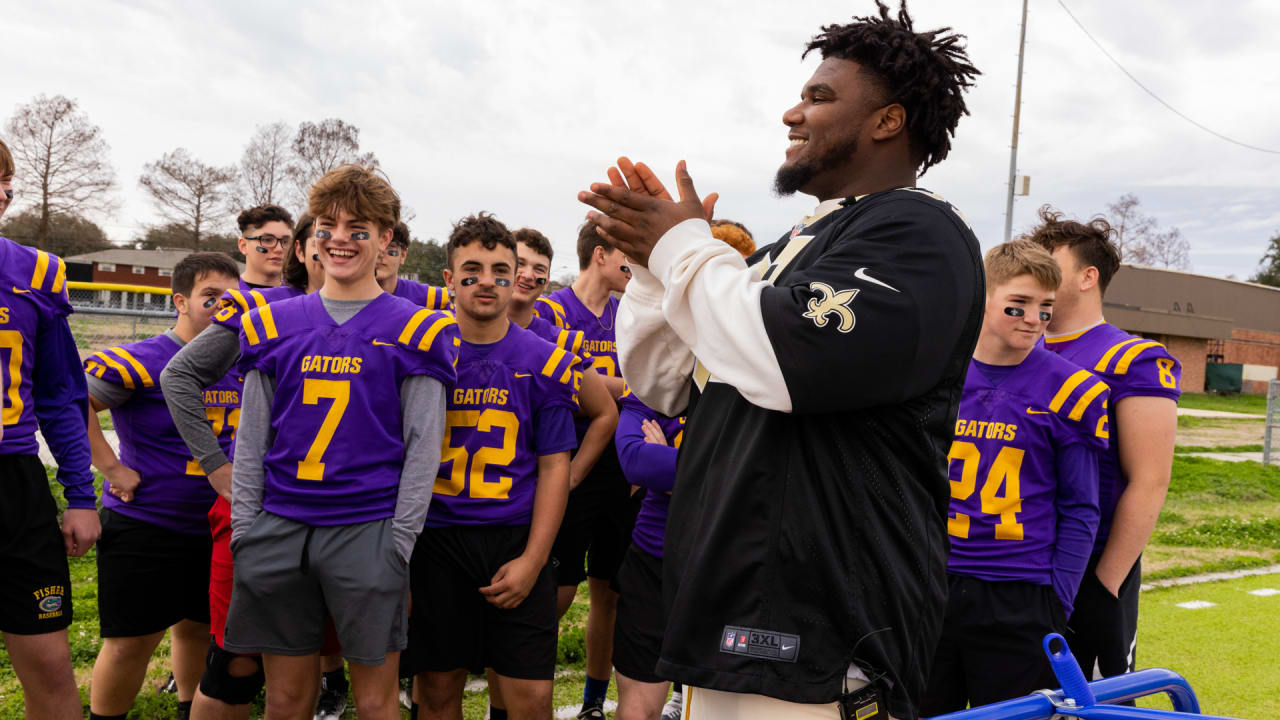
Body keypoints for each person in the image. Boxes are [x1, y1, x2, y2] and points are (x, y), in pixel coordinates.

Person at [577, 2, 983, 717]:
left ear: (888, 121)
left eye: (820, 97)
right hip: (726, 611)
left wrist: (686, 248)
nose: (793, 114)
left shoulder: (919, 233)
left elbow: (787, 354)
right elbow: (667, 382)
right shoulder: (784, 250)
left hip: (821, 634)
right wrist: (650, 269)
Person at [224, 164, 458, 720]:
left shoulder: (418, 327)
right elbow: (252, 436)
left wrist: (398, 541)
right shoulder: (271, 323)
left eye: (359, 228)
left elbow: (424, 446)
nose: (341, 239)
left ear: (385, 240)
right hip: (280, 523)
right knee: (285, 697)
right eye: (328, 225)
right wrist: (246, 528)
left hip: (367, 526)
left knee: (376, 700)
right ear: (311, 236)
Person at [921, 240, 1106, 714]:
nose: (1033, 318)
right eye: (1018, 304)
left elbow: (1081, 507)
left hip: (1019, 592)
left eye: (1045, 307)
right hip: (931, 582)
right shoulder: (934, 374)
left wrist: (1055, 601)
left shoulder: (1072, 388)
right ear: (980, 296)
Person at [406, 213, 578, 720]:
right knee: (437, 690)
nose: (487, 281)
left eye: (501, 271)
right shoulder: (418, 353)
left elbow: (553, 469)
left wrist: (533, 559)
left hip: (514, 536)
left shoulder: (546, 360)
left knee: (531, 698)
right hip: (435, 538)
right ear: (449, 279)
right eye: (472, 269)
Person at [161, 216, 328, 720]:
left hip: (340, 515)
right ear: (300, 250)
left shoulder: (391, 315)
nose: (337, 245)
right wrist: (215, 464)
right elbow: (180, 374)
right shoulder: (262, 309)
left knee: (307, 663)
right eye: (323, 235)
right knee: (236, 663)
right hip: (263, 507)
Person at [83, 252, 241, 720]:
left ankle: (188, 709)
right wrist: (111, 468)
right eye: (210, 297)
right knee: (131, 642)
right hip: (147, 523)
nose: (222, 307)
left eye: (231, 299)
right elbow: (74, 404)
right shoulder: (147, 356)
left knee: (196, 629)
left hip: (213, 523)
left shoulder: (238, 357)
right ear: (180, 301)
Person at [1027, 206, 1182, 679]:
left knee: (1092, 701)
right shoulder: (1015, 347)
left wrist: (1104, 585)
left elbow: (1150, 480)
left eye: (1050, 263)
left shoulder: (1132, 358)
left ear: (1087, 276)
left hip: (1090, 563)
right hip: (1016, 559)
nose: (1036, 274)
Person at [487, 228, 620, 720]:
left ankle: (587, 703)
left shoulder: (555, 340)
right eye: (518, 266)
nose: (528, 276)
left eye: (538, 268)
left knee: (588, 594)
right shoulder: (548, 314)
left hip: (557, 480)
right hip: (479, 497)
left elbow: (605, 408)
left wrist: (571, 477)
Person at [0, 136, 100, 720]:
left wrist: (81, 496)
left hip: (14, 482)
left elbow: (61, 395)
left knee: (51, 675)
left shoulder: (35, 272)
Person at [540, 222, 633, 720]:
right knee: (557, 592)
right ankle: (521, 691)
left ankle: (593, 705)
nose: (633, 266)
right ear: (599, 255)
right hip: (568, 461)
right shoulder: (549, 309)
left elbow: (646, 384)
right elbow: (567, 380)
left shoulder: (627, 314)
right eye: (626, 256)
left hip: (620, 465)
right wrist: (624, 383)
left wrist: (609, 383)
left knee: (610, 592)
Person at [611, 384, 685, 720]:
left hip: (725, 562)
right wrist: (712, 474)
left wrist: (669, 467)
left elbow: (760, 471)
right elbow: (636, 461)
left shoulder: (746, 377)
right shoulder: (651, 382)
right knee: (638, 708)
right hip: (653, 557)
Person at [377, 221, 452, 310]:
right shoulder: (356, 298)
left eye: (390, 249)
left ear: (403, 255)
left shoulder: (430, 297)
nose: (380, 255)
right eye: (375, 247)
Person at [236, 204, 293, 289]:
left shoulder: (303, 297)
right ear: (243, 246)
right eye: (267, 240)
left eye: (285, 242)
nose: (279, 249)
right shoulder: (226, 297)